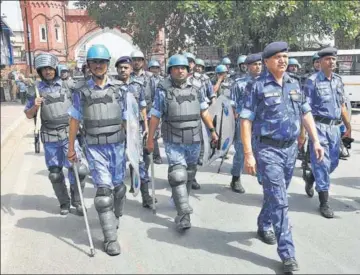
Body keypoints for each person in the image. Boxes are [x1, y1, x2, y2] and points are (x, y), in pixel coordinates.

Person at [240, 41, 324, 273]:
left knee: (276, 194)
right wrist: (248, 154)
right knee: (280, 199)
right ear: (266, 62)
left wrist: (315, 140)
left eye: (285, 56)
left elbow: (306, 112)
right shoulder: (256, 87)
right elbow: (245, 120)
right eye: (277, 57)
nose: (283, 60)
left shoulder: (294, 84)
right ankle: (287, 253)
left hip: (290, 151)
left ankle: (264, 223)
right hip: (267, 151)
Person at [146, 54, 218, 230]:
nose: (180, 71)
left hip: (194, 138)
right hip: (173, 138)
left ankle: (180, 200)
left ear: (188, 70)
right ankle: (183, 214)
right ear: (170, 71)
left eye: (183, 68)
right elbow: (155, 116)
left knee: (190, 174)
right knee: (178, 174)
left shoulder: (196, 89)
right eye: (176, 68)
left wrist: (212, 131)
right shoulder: (163, 90)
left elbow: (204, 112)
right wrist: (150, 139)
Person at [68, 44, 127, 256]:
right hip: (93, 147)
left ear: (107, 64)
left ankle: (116, 215)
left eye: (102, 62)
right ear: (89, 65)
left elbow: (129, 119)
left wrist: (136, 146)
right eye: (95, 62)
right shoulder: (80, 92)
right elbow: (74, 119)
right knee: (104, 193)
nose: (99, 66)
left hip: (117, 145)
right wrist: (71, 147)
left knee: (118, 188)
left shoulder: (120, 89)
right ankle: (110, 239)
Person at [24, 52, 86, 216]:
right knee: (55, 174)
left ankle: (78, 201)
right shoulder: (35, 90)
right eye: (44, 69)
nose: (47, 72)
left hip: (69, 134)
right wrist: (35, 106)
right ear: (40, 72)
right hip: (50, 137)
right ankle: (64, 202)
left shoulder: (68, 86)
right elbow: (29, 115)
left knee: (78, 169)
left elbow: (81, 104)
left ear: (56, 69)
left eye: (50, 68)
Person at [300, 47, 352, 218]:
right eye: (328, 59)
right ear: (320, 62)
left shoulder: (338, 80)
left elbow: (342, 105)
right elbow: (304, 109)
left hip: (335, 129)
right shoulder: (312, 81)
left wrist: (348, 126)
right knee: (322, 163)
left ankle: (311, 178)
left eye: (334, 59)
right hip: (319, 127)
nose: (332, 62)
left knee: (333, 163)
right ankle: (324, 202)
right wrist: (303, 133)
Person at [115, 55, 155, 209]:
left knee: (139, 162)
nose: (123, 70)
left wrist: (146, 127)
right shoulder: (113, 86)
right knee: (119, 163)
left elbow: (143, 108)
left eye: (126, 67)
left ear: (131, 69)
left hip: (135, 129)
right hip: (117, 130)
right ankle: (119, 198)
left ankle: (146, 197)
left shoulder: (138, 85)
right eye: (120, 68)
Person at [229, 53, 262, 193]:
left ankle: (264, 180)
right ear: (248, 67)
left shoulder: (266, 83)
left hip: (261, 123)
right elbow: (232, 104)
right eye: (255, 64)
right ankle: (235, 178)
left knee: (262, 151)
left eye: (260, 64)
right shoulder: (239, 84)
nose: (258, 67)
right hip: (244, 123)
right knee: (241, 152)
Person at [147, 59, 164, 164]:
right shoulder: (145, 80)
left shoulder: (163, 80)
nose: (154, 70)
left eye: (156, 68)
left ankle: (156, 156)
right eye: (152, 68)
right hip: (147, 109)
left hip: (158, 110)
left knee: (155, 134)